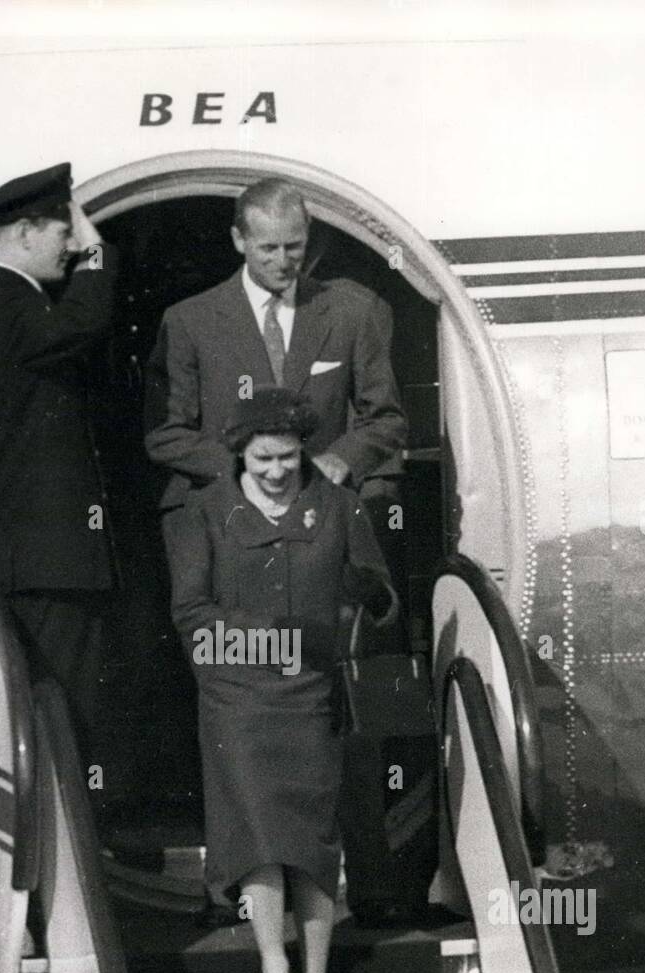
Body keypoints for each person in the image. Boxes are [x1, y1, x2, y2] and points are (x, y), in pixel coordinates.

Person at [144, 177, 416, 927]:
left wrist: (337, 463)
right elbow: (165, 434)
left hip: (325, 539)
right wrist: (251, 468)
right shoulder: (190, 321)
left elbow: (385, 418)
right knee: (237, 708)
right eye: (267, 248)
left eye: (294, 247)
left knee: (345, 705)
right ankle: (234, 887)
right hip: (232, 541)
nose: (282, 261)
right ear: (239, 240)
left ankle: (372, 881)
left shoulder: (355, 311)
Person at [167, 387, 398, 973]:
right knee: (260, 841)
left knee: (312, 845)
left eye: (289, 459)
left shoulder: (339, 506)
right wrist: (280, 641)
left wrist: (371, 596)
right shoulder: (203, 513)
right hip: (237, 699)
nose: (276, 471)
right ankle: (275, 969)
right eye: (265, 458)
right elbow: (192, 615)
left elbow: (382, 604)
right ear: (242, 452)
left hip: (310, 697)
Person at [0, 161, 119, 762]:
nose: (72, 246)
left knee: (59, 718)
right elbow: (83, 321)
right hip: (48, 566)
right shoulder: (7, 306)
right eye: (62, 231)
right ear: (25, 232)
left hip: (31, 560)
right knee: (70, 721)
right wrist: (100, 253)